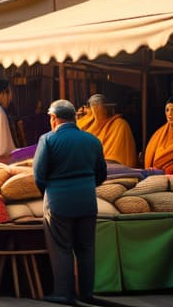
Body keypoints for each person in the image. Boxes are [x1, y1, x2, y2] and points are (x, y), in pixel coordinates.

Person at [34, 100, 106, 305]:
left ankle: (63, 294)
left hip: (58, 203)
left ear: (54, 118)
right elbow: (101, 174)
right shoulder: (92, 140)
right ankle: (86, 293)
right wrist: (86, 186)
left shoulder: (47, 139)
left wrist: (48, 193)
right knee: (86, 248)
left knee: (62, 247)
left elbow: (39, 175)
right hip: (87, 201)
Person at [81, 94, 137, 167]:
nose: (96, 109)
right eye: (93, 106)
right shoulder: (86, 126)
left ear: (106, 108)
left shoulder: (119, 124)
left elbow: (117, 158)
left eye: (98, 106)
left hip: (116, 170)